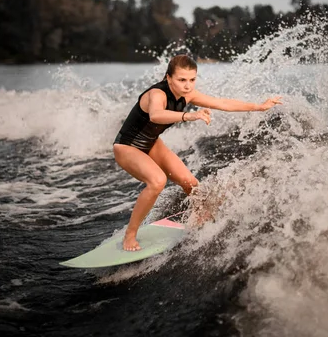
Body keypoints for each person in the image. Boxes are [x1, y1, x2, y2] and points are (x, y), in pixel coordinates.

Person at [113, 55, 282, 251]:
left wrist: (259, 106)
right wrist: (189, 115)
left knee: (191, 184)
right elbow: (156, 115)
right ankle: (130, 236)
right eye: (181, 80)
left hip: (151, 143)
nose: (187, 85)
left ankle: (200, 219)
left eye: (192, 80)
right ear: (168, 78)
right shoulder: (157, 94)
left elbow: (222, 103)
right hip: (127, 146)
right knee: (157, 181)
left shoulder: (188, 95)